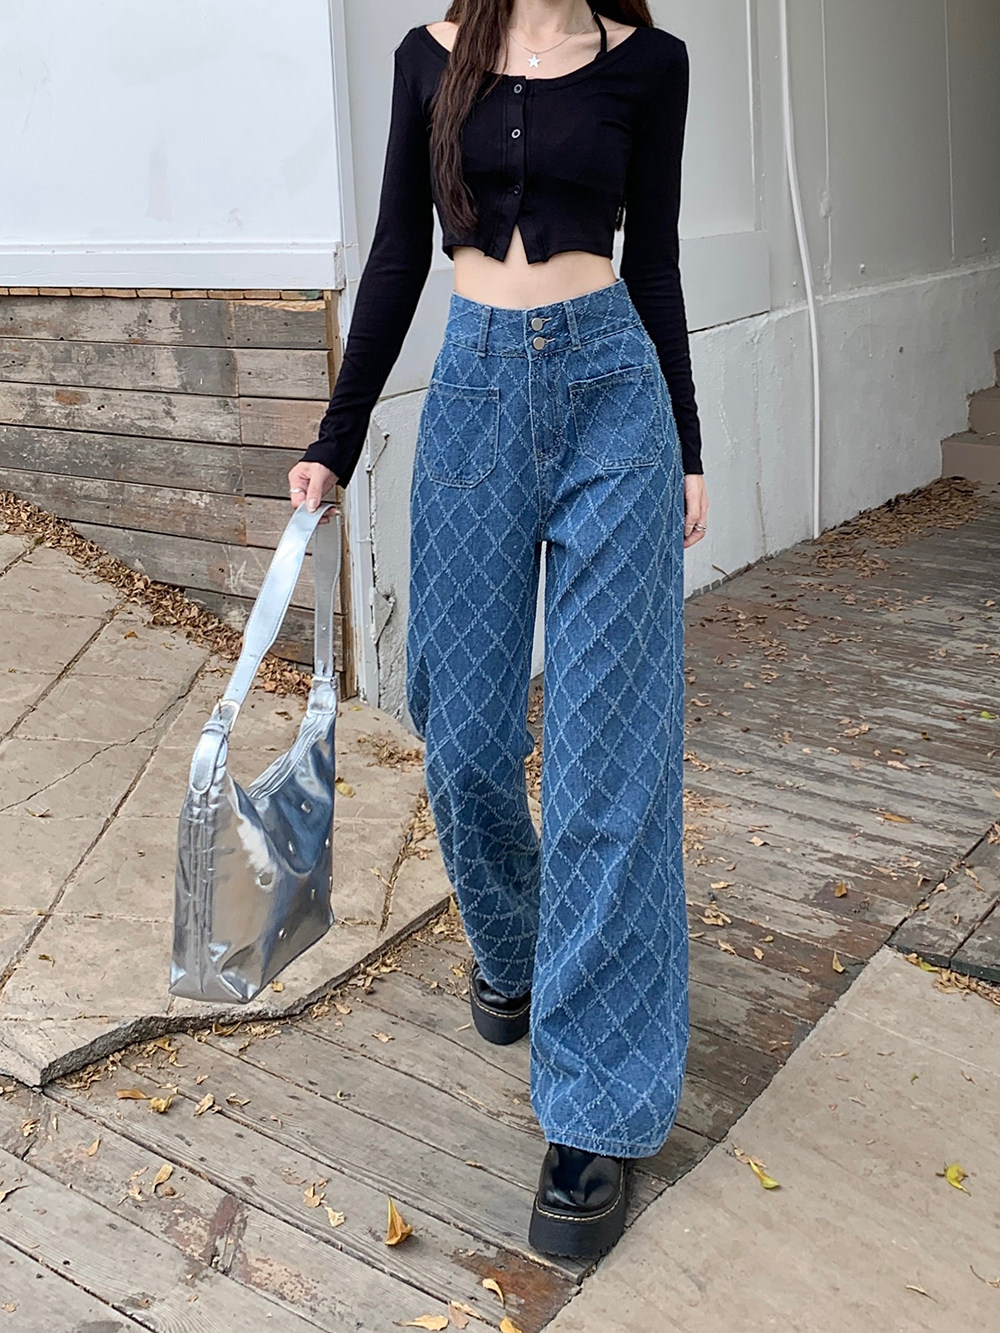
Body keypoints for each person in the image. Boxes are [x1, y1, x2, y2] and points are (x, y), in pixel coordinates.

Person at [288, 0, 708, 1260]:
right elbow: (394, 256)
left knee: (604, 763)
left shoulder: (651, 66)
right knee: (463, 735)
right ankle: (517, 943)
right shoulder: (429, 59)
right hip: (471, 393)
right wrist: (335, 442)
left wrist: (687, 447)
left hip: (614, 402)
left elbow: (656, 261)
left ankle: (595, 1105)